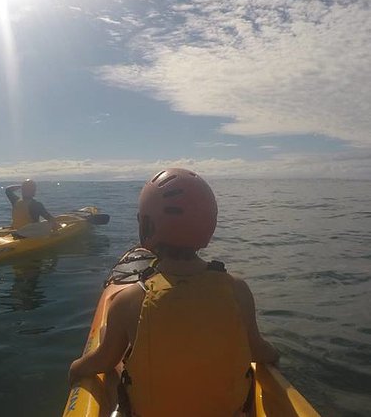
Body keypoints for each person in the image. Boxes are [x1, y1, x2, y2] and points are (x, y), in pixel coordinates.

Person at [68, 168, 279, 416]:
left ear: (147, 225)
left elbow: (102, 361)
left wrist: (75, 369)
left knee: (113, 346)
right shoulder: (237, 289)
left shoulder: (130, 300)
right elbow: (259, 351)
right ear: (209, 225)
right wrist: (276, 357)